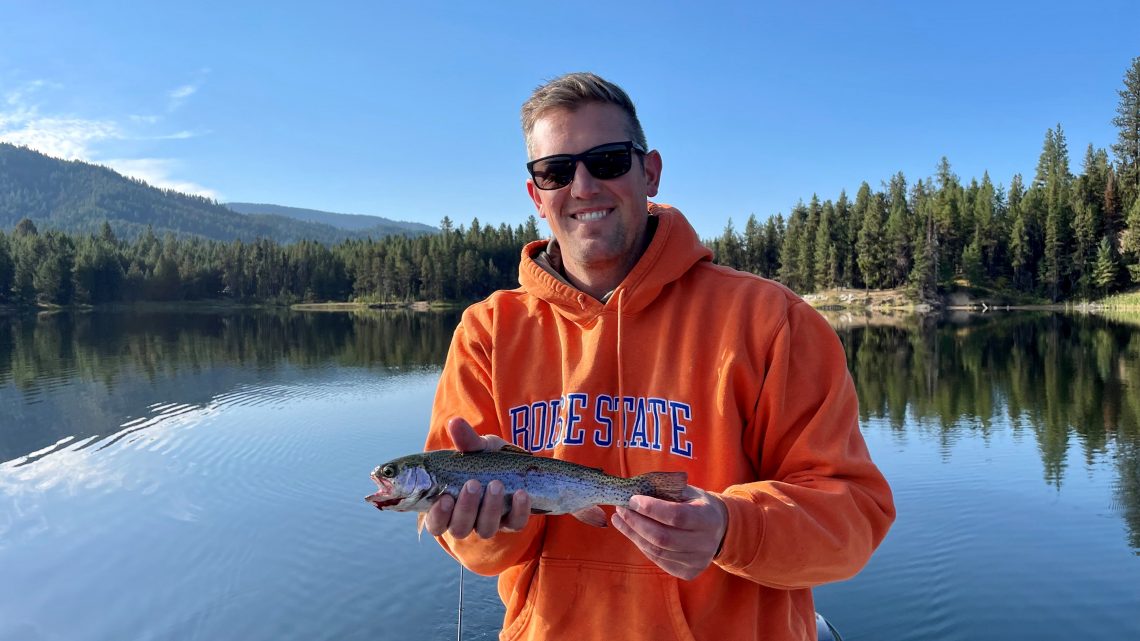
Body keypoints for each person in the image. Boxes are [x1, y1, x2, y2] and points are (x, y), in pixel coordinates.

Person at [422, 72, 895, 641]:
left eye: (608, 160)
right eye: (556, 171)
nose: (583, 186)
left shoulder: (773, 321)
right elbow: (483, 555)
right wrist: (485, 526)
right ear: (536, 195)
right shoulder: (487, 332)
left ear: (650, 172)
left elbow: (853, 516)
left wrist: (729, 528)